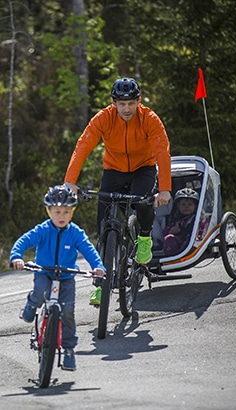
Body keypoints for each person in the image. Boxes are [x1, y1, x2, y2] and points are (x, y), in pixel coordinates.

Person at [64, 77, 172, 301]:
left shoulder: (149, 119)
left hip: (143, 168)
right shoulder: (103, 118)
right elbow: (83, 146)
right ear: (113, 103)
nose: (126, 109)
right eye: (121, 104)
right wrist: (69, 181)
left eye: (131, 103)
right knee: (103, 228)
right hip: (113, 170)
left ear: (138, 102)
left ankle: (144, 239)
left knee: (143, 203)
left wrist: (165, 189)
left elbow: (162, 151)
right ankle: (100, 286)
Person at [10, 185, 105, 371]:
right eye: (57, 211)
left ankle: (69, 350)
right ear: (49, 211)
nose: (62, 216)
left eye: (66, 212)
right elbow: (24, 240)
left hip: (66, 277)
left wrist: (98, 267)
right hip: (44, 272)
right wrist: (17, 256)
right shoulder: (43, 230)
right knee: (38, 292)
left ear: (72, 212)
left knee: (68, 312)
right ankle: (30, 306)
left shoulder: (76, 233)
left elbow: (89, 250)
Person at [163, 188, 199, 256]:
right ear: (178, 206)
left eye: (190, 204)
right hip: (178, 242)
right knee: (169, 238)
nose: (186, 207)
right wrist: (170, 231)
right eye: (183, 204)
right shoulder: (176, 219)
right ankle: (172, 257)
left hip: (193, 243)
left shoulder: (197, 218)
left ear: (195, 206)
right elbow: (165, 231)